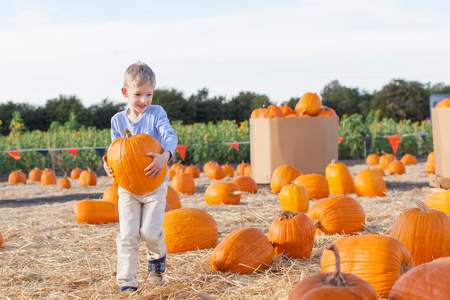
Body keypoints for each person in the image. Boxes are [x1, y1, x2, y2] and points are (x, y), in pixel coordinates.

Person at [103, 61, 178, 293]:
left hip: (155, 187)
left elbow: (170, 136)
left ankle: (157, 259)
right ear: (125, 93)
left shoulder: (156, 114)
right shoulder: (117, 121)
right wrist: (106, 166)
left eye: (149, 94)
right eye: (138, 94)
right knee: (127, 235)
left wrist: (165, 155)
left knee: (149, 233)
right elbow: (115, 152)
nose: (144, 100)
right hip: (128, 190)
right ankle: (127, 282)